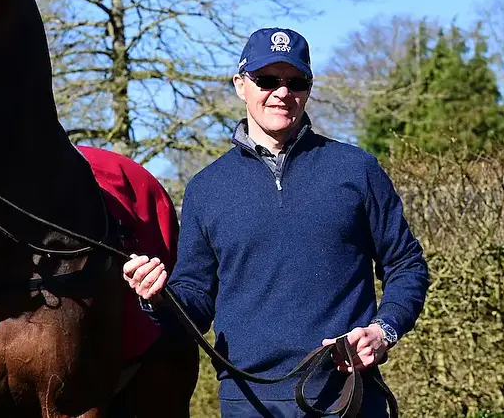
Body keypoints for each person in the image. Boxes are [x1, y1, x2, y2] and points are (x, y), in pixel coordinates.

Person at [123, 27, 429, 417]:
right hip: (248, 402)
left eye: (296, 81)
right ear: (240, 85)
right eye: (267, 80)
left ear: (309, 88)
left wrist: (384, 330)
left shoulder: (356, 170)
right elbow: (195, 299)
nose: (282, 92)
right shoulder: (206, 188)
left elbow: (407, 265)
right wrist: (158, 297)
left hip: (348, 396)